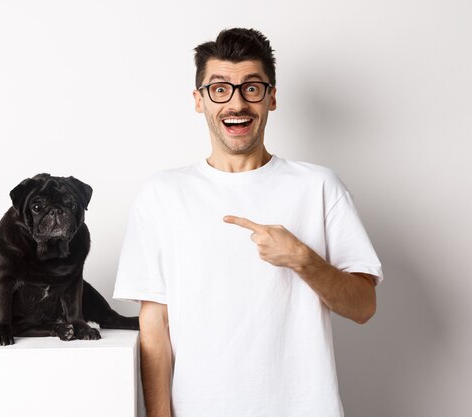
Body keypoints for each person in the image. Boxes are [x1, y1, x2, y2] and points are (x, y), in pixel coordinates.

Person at [113, 28, 382, 417]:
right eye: (219, 89)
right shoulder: (163, 194)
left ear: (271, 98)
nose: (236, 103)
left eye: (251, 88)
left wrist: (303, 259)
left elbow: (363, 307)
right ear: (198, 100)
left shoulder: (319, 186)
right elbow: (155, 325)